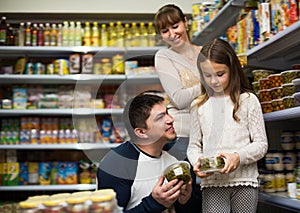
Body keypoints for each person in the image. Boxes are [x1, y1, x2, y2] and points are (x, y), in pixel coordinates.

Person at [187, 38, 268, 212]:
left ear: (232, 69)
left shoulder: (248, 101)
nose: (214, 81)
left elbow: (261, 145)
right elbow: (193, 146)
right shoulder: (198, 105)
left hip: (245, 182)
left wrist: (238, 157)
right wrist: (197, 162)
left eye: (220, 74)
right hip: (212, 183)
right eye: (207, 75)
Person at [97, 93, 198, 213]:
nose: (170, 119)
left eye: (167, 113)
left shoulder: (178, 158)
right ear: (141, 132)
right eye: (160, 117)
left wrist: (186, 201)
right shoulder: (116, 165)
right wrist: (155, 203)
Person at [154, 4, 202, 160]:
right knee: (186, 184)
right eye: (165, 31)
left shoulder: (206, 52)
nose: (172, 34)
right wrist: (210, 84)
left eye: (175, 26)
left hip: (211, 133)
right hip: (183, 136)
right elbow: (179, 99)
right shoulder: (164, 57)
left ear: (186, 22)